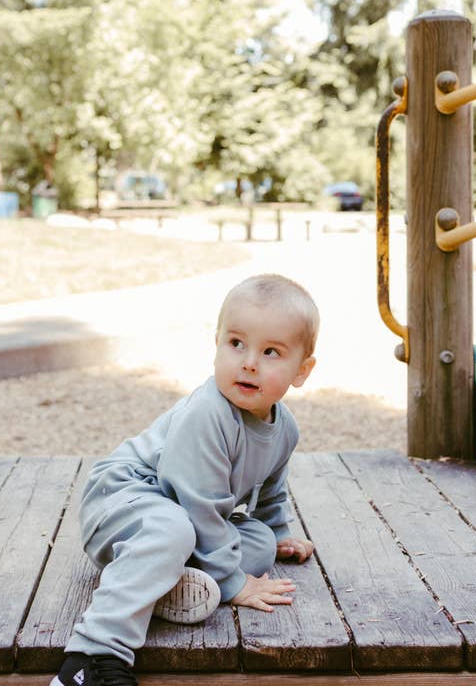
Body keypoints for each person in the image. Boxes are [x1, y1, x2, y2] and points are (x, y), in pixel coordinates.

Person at [51, 273, 319, 686]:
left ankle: (153, 582)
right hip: (123, 498)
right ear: (217, 344)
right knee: (174, 529)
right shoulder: (208, 413)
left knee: (259, 546)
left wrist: (278, 532)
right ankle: (93, 656)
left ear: (301, 371)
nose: (248, 361)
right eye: (236, 344)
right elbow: (197, 505)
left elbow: (270, 489)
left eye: (270, 352)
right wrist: (234, 583)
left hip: (176, 520)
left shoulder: (286, 429)